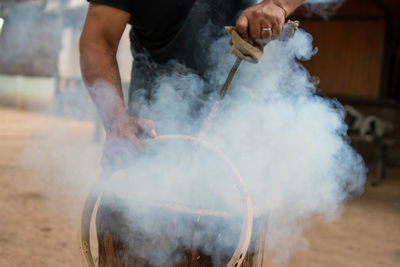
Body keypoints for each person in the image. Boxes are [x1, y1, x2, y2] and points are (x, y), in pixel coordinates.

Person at [80, 0, 304, 168]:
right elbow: (99, 39)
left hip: (237, 104)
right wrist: (117, 121)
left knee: (233, 207)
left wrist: (279, 4)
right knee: (145, 204)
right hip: (155, 107)